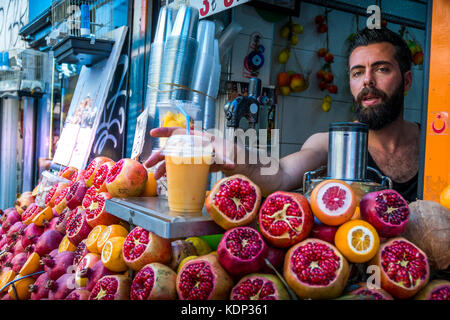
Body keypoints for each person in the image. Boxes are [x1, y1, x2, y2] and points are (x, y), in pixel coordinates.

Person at [145, 27, 420, 202]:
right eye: (357, 72)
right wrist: (233, 153)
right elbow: (282, 173)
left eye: (382, 69)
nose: (367, 81)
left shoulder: (435, 146)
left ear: (406, 81)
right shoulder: (328, 144)